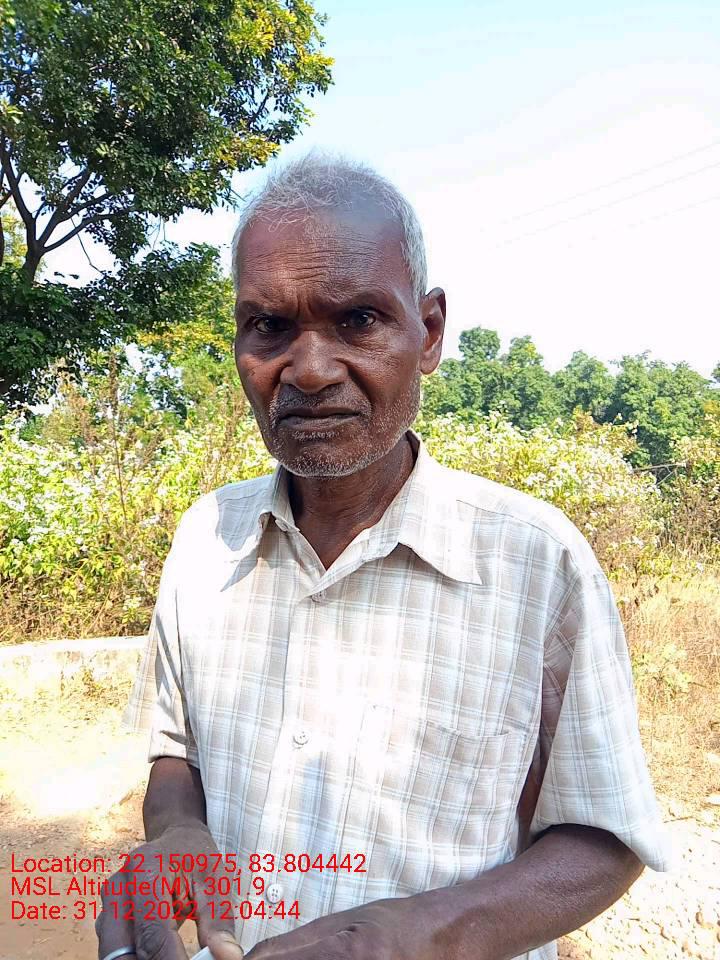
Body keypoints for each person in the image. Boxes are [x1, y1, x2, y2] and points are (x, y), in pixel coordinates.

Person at [96, 154, 670, 960]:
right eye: (269, 326)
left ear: (428, 333)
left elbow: (605, 838)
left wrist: (415, 936)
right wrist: (177, 831)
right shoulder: (204, 541)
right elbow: (174, 753)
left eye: (359, 319)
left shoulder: (538, 565)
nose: (309, 369)